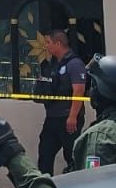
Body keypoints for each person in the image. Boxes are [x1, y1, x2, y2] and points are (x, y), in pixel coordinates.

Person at [34, 30, 86, 174]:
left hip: (68, 118)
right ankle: (45, 184)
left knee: (71, 155)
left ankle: (76, 184)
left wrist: (72, 116)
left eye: (48, 42)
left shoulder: (74, 64)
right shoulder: (52, 65)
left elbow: (79, 91)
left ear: (58, 43)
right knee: (45, 154)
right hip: (52, 117)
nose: (46, 46)